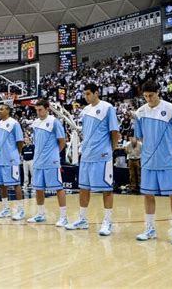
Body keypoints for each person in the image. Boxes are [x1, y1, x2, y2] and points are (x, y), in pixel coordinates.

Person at [133, 80, 172, 246]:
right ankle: (150, 229)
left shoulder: (171, 109)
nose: (148, 99)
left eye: (151, 95)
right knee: (148, 195)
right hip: (148, 161)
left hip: (169, 161)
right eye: (146, 96)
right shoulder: (140, 112)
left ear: (158, 93)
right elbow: (140, 137)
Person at [66, 83, 119, 236]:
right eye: (85, 94)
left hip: (102, 156)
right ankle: (82, 219)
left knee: (106, 189)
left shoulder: (108, 107)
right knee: (83, 189)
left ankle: (107, 221)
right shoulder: (85, 110)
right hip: (86, 155)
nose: (86, 96)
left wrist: (111, 150)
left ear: (97, 93)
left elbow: (114, 132)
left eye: (89, 93)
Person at [26, 99, 69, 227]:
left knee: (58, 188)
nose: (38, 112)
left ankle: (64, 217)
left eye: (40, 110)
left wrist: (54, 153)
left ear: (47, 108)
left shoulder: (54, 122)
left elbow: (62, 141)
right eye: (36, 110)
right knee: (39, 189)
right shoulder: (35, 123)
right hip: (38, 161)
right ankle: (40, 214)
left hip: (51, 161)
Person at [0, 104, 25, 221]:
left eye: (1, 109)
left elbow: (20, 141)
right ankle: (5, 209)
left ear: (8, 111)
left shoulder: (14, 123)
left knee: (16, 184)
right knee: (2, 185)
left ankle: (20, 210)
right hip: (0, 159)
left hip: (11, 159)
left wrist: (16, 154)